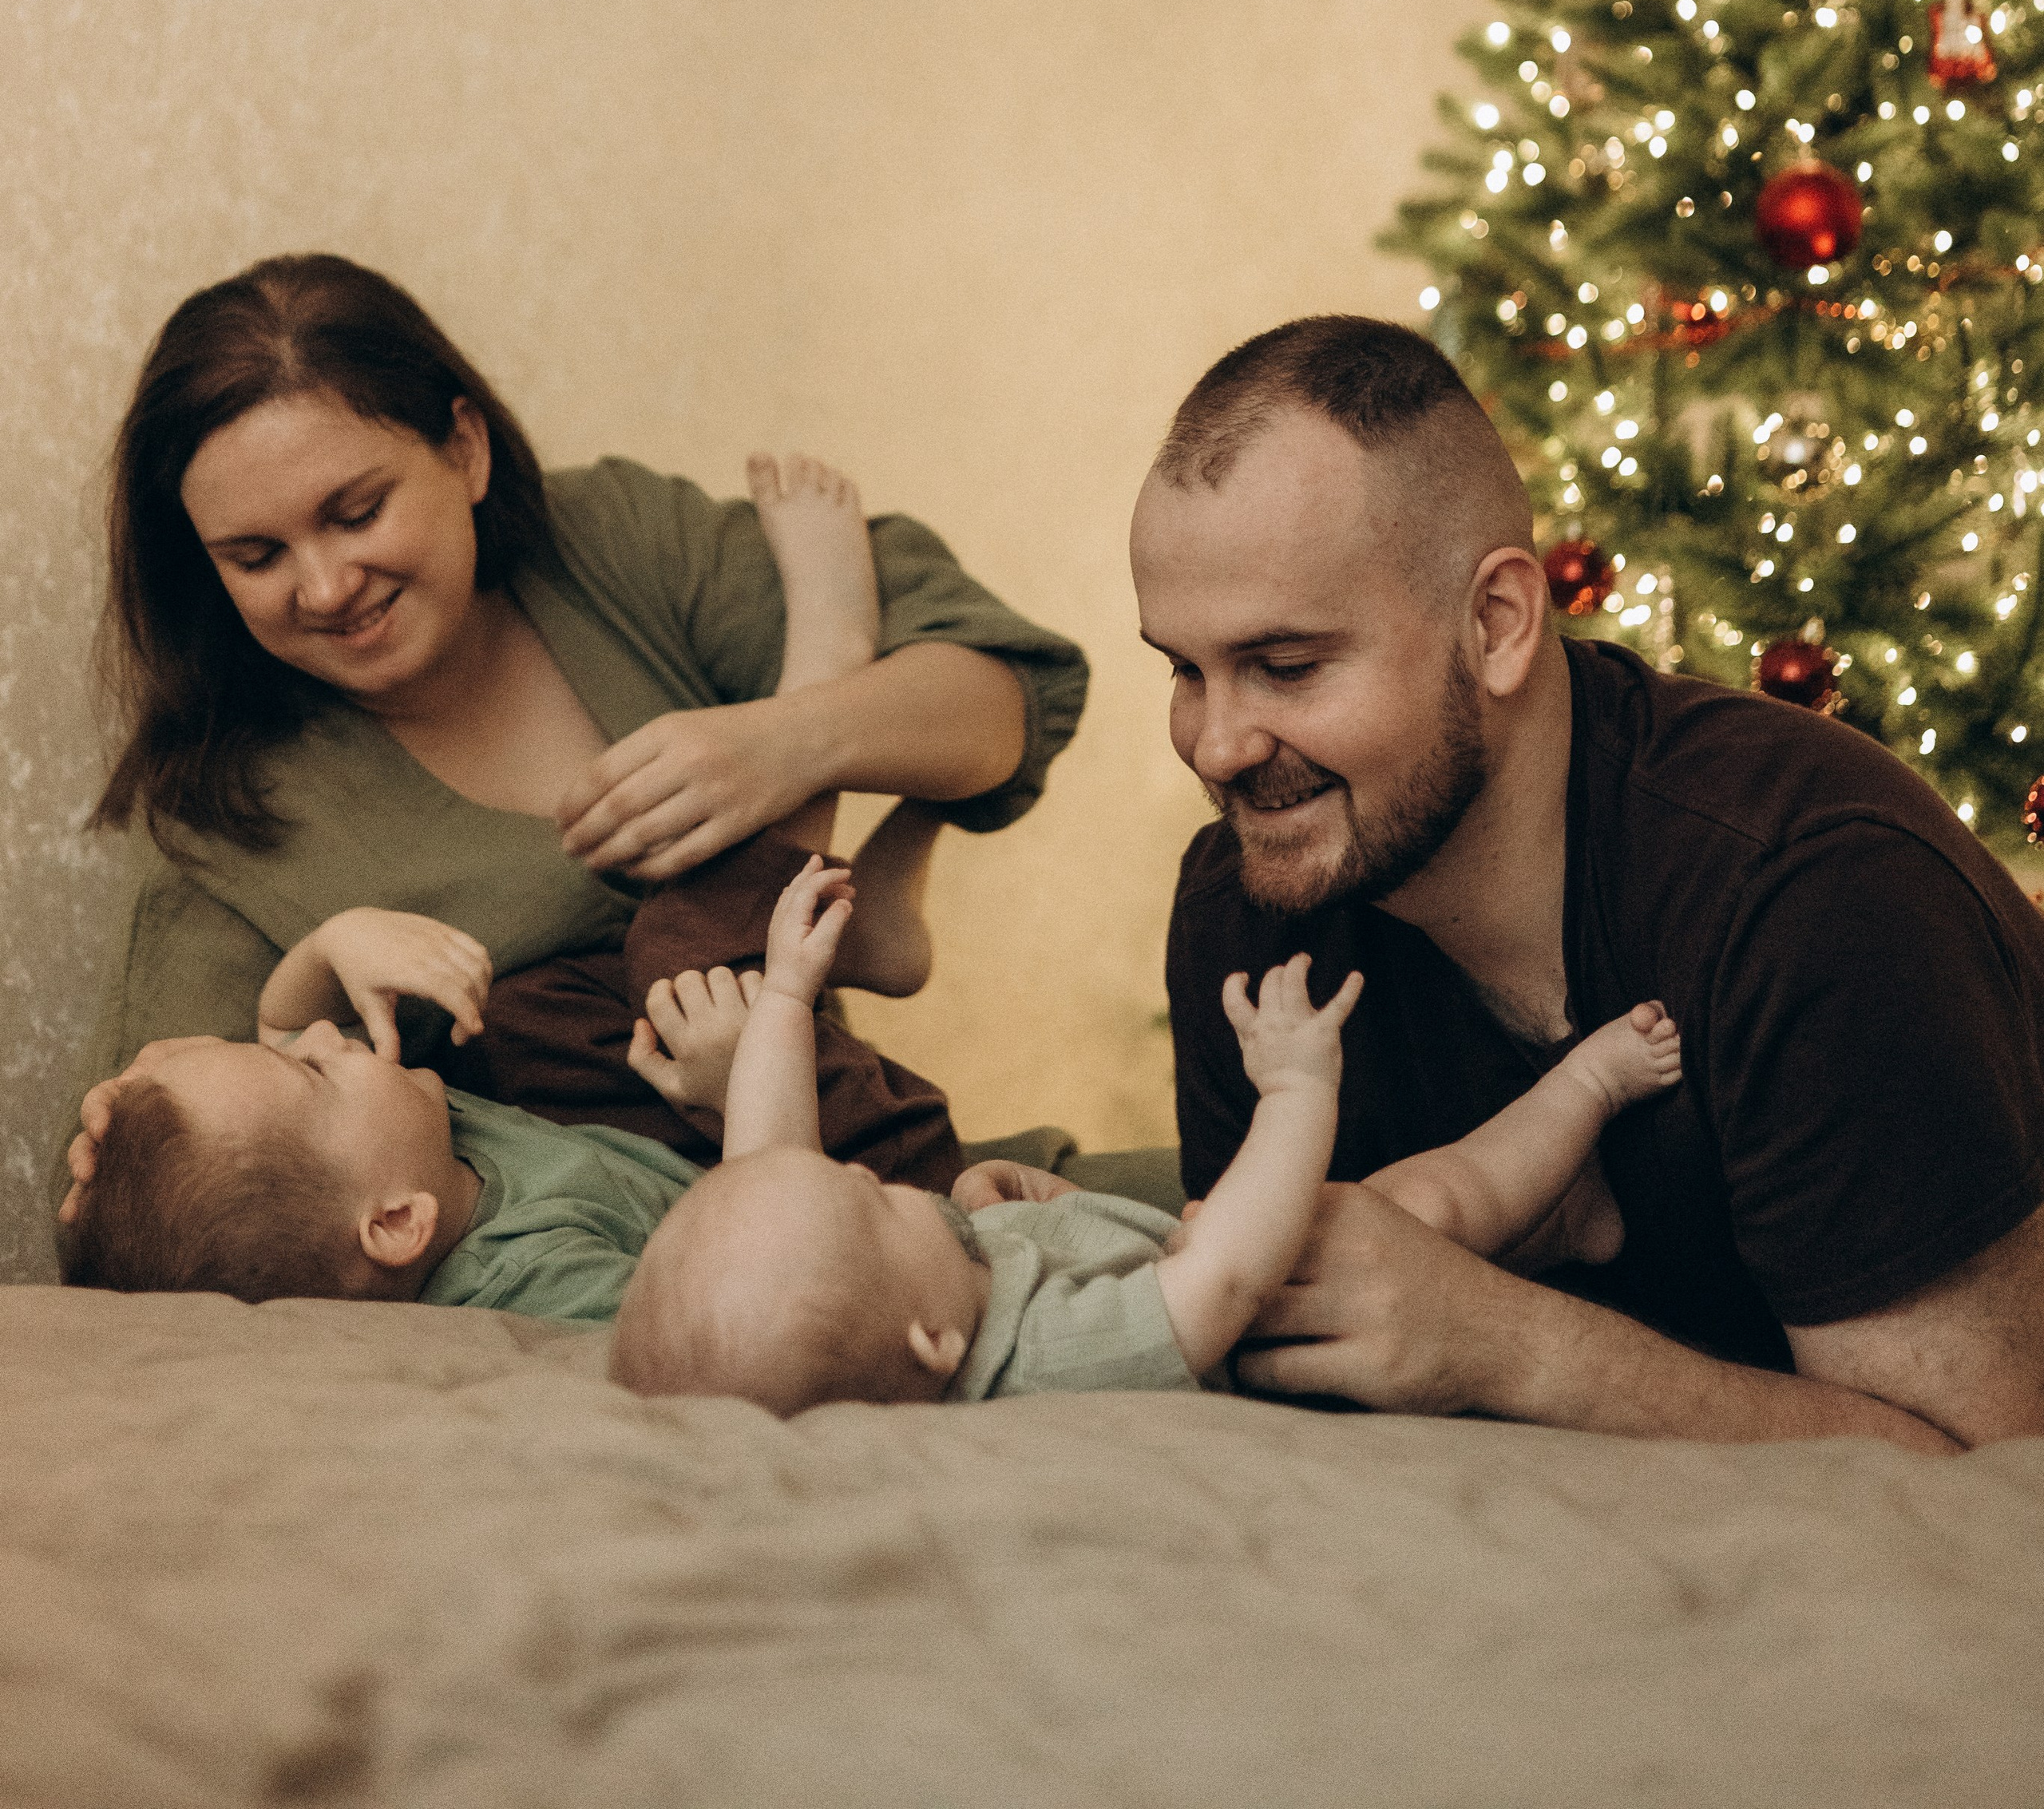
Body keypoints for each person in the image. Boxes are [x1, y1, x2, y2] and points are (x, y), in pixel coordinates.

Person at [1142, 315, 2044, 1454]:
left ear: (1498, 623)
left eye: (1285, 666)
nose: (1216, 746)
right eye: (1184, 669)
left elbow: (1985, 1481)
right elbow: (1253, 1387)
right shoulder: (1244, 916)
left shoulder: (1816, 890)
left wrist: (1503, 1343)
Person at [61, 252, 1087, 1217]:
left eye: (359, 512)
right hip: (613, 1240)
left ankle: (850, 877)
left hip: (858, 1148)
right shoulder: (218, 815)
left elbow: (1001, 705)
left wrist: (789, 740)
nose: (326, 587)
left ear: (463, 449)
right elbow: (170, 1191)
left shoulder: (610, 544)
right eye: (255, 556)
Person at [607, 854, 1686, 1411]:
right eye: (878, 1201)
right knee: (1421, 1205)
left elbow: (769, 1169)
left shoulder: (923, 1311)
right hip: (1284, 1315)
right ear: (935, 1345)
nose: (878, 1178)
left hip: (1182, 1244)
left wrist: (791, 995)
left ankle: (1569, 1214)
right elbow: (1222, 1282)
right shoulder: (1053, 1360)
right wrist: (1297, 1094)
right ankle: (1585, 1093)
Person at [58, 1019, 700, 1324]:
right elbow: (739, 1315)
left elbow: (280, 1025)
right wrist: (753, 1074)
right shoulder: (535, 1278)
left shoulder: (409, 1149)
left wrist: (323, 948)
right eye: (313, 1068)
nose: (322, 1030)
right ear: (395, 1222)